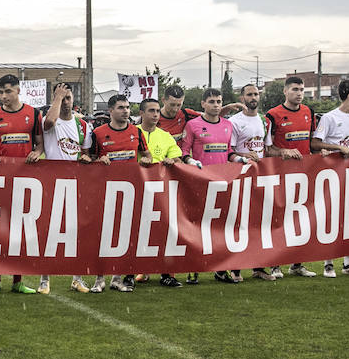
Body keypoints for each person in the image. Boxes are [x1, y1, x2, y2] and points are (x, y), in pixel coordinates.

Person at [181, 89, 253, 284]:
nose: (216, 105)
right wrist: (191, 162)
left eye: (219, 101)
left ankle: (221, 269)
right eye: (211, 101)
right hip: (199, 182)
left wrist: (238, 158)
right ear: (203, 104)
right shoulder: (192, 125)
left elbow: (228, 150)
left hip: (222, 183)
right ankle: (192, 268)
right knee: (196, 225)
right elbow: (184, 152)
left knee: (222, 226)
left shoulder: (228, 125)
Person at [0, 75, 42, 295]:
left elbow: (39, 144)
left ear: (18, 90)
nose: (4, 96)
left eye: (8, 91)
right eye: (0, 92)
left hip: (24, 179)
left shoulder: (34, 114)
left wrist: (36, 152)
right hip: (0, 179)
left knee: (20, 231)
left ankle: (18, 281)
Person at [88, 94, 154, 292]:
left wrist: (147, 160)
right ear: (110, 111)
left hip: (129, 192)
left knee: (124, 236)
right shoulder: (98, 133)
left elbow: (147, 154)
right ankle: (99, 280)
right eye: (121, 107)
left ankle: (117, 279)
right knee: (103, 237)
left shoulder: (136, 132)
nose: (126, 111)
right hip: (105, 191)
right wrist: (98, 161)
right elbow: (87, 159)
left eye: (127, 107)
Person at [309, 78, 349, 278]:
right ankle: (328, 264)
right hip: (332, 175)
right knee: (331, 218)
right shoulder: (329, 117)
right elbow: (315, 144)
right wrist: (337, 148)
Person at [38, 83, 98, 294]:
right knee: (49, 231)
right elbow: (49, 124)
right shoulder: (48, 119)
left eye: (68, 98)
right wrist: (57, 97)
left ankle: (77, 278)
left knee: (76, 231)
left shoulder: (82, 125)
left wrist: (86, 158)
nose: (65, 102)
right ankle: (44, 280)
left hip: (75, 183)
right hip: (51, 181)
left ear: (74, 100)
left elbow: (87, 153)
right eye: (62, 98)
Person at [135, 97, 199, 289]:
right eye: (151, 111)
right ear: (141, 113)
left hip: (162, 191)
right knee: (138, 231)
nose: (155, 115)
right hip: (137, 189)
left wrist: (173, 161)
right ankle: (136, 270)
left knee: (165, 231)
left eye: (156, 111)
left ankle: (167, 273)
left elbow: (177, 158)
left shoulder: (165, 135)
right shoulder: (133, 133)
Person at [263, 76, 317, 278]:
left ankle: (297, 263)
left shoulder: (309, 112)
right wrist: (282, 152)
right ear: (285, 92)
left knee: (300, 219)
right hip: (280, 174)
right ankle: (274, 264)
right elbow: (267, 148)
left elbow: (311, 142)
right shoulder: (273, 115)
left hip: (304, 174)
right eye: (295, 89)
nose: (299, 93)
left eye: (302, 89)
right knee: (279, 220)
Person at [228, 84, 279, 282]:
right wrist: (244, 155)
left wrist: (283, 154)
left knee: (260, 222)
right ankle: (236, 268)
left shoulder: (264, 121)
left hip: (260, 176)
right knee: (240, 222)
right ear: (242, 98)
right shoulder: (234, 121)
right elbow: (229, 151)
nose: (253, 97)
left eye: (256, 94)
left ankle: (258, 267)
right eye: (249, 94)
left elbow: (267, 149)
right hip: (239, 176)